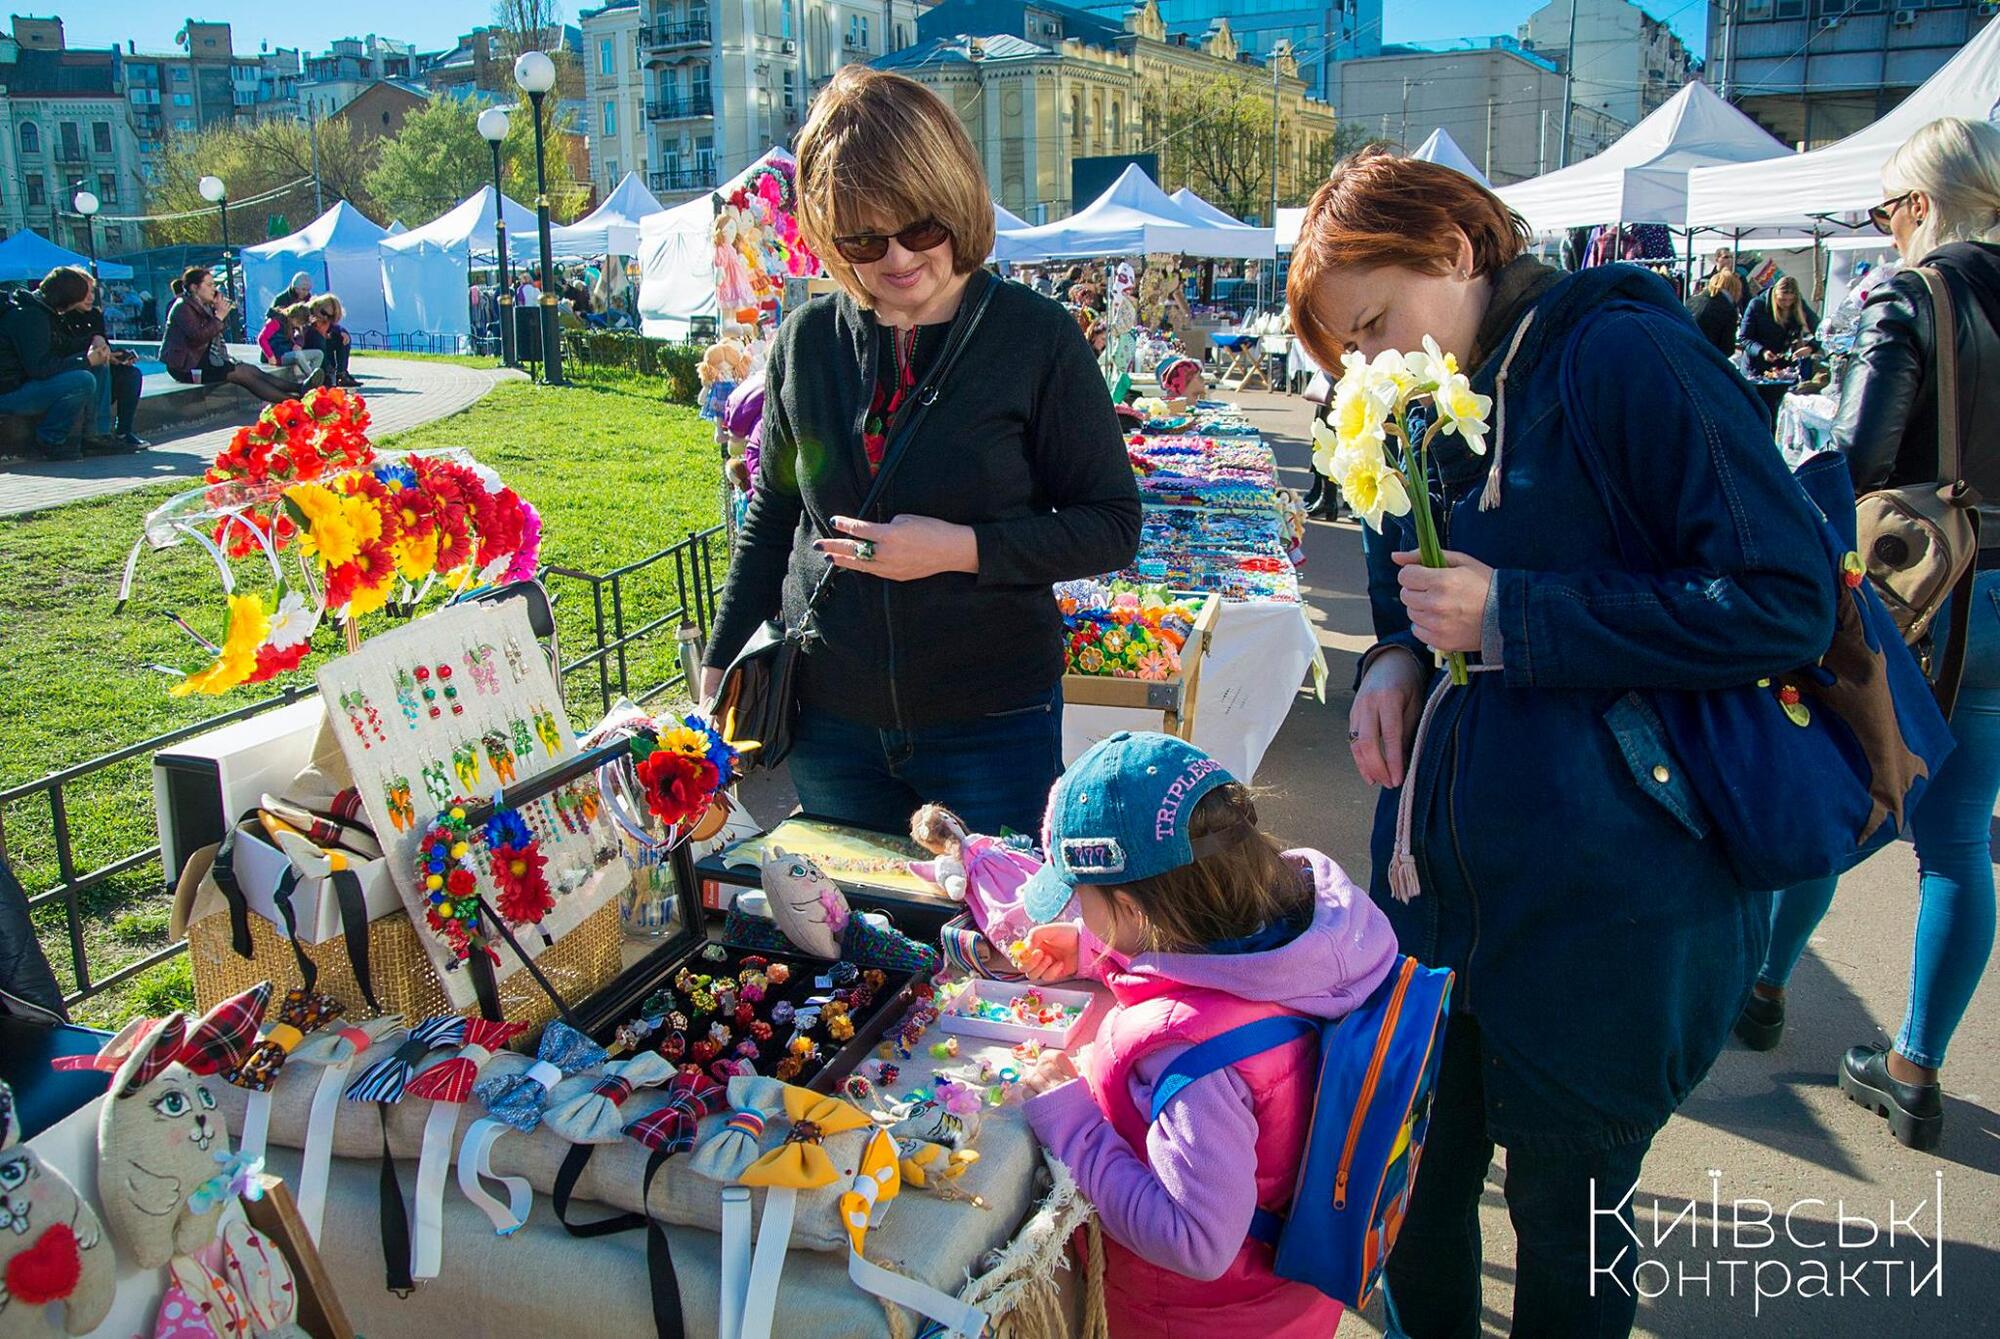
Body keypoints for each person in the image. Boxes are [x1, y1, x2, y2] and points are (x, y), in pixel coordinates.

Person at [1289, 148, 1834, 1336]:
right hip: (1447, 895)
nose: (1370, 366)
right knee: (1412, 1197)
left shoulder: (1620, 355)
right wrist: (1393, 651)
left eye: (1374, 323)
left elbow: (1786, 596)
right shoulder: (1442, 389)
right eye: (1345, 354)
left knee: (1568, 1227)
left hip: (1612, 909)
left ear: (1451, 248)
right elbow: (1419, 575)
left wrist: (1518, 615)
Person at [698, 66, 1140, 837]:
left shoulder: (1036, 339)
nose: (897, 258)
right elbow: (774, 512)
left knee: (997, 938)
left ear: (956, 203)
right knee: (852, 941)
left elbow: (1110, 522)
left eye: (921, 228)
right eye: (865, 239)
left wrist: (957, 549)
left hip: (990, 720)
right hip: (832, 723)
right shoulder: (805, 343)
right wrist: (722, 657)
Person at [1741, 117, 2000, 1152]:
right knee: (1956, 841)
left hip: (1920, 599)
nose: (1886, 228)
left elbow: (1853, 457)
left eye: (1888, 209)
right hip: (1997, 608)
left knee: (1839, 789)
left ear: (1924, 203)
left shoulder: (1914, 291)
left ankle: (1760, 987)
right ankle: (1912, 1067)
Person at [1015, 732, 1397, 1339]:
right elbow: (1224, 966)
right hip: (1286, 1300)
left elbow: (1196, 1243)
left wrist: (1073, 1123)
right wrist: (1099, 949)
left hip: (1194, 1320)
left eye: (1080, 897)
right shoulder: (1325, 941)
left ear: (1132, 908)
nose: (1074, 910)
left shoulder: (1188, 1054)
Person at [0, 265, 112, 459]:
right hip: (10, 393)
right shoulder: (30, 316)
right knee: (82, 380)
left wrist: (93, 340)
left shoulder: (42, 310)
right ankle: (51, 439)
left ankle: (96, 436)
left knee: (99, 367)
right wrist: (86, 361)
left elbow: (62, 346)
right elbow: (40, 368)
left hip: (23, 385)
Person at [160, 267, 297, 406]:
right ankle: (293, 401)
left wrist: (218, 311)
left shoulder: (204, 305)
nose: (213, 289)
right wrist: (219, 316)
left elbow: (216, 331)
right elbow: (197, 337)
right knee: (241, 374)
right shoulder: (183, 307)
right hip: (186, 366)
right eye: (209, 285)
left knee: (250, 370)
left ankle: (299, 389)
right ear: (195, 287)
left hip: (204, 359)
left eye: (214, 285)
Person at [53, 270, 148, 451]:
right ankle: (97, 433)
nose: (90, 297)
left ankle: (123, 431)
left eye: (92, 292)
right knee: (99, 369)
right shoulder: (60, 318)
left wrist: (115, 356)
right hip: (79, 371)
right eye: (85, 292)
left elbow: (103, 344)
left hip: (98, 368)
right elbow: (65, 349)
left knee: (131, 375)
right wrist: (94, 344)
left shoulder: (94, 315)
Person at [1739, 273, 1819, 373]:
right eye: (1782, 299)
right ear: (1775, 295)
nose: (1787, 304)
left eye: (1791, 300)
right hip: (1755, 368)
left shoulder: (1799, 305)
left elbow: (1822, 330)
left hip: (1785, 368)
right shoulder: (1757, 305)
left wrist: (1810, 347)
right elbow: (1744, 338)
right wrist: (1762, 351)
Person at [1687, 268, 1746, 357]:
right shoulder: (1728, 309)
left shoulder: (1692, 300)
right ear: (1734, 289)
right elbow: (1727, 349)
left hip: (1685, 351)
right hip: (1707, 358)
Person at [305, 295, 358, 387]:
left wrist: (341, 332)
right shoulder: (308, 314)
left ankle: (342, 373)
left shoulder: (328, 321)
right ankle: (327, 372)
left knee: (343, 338)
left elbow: (335, 326)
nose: (327, 319)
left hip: (323, 344)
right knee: (318, 339)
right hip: (309, 346)